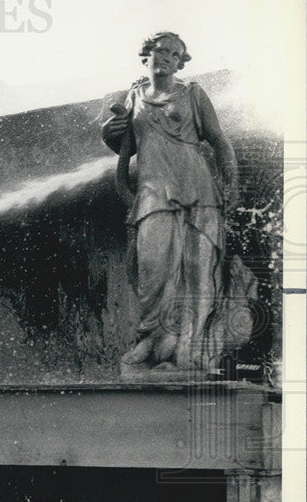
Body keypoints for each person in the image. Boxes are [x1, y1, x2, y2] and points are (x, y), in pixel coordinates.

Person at [102, 32, 256, 372]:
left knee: (199, 272)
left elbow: (219, 140)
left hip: (198, 189)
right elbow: (126, 147)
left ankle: (188, 345)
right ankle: (151, 340)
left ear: (181, 61)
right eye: (161, 51)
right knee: (152, 270)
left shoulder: (193, 94)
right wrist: (109, 134)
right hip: (153, 191)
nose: (168, 57)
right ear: (147, 55)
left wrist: (230, 183)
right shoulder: (133, 97)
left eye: (175, 53)